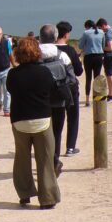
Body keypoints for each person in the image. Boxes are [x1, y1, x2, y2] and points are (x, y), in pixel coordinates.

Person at [6, 38, 61, 209]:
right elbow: (53, 91)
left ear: (18, 54)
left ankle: (24, 194)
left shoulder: (12, 74)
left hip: (19, 121)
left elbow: (10, 90)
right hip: (42, 120)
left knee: (22, 158)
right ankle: (47, 199)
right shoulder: (44, 72)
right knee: (44, 159)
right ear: (37, 52)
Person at [37, 24, 74, 175]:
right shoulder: (62, 56)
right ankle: (54, 161)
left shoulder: (34, 56)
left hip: (39, 102)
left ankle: (44, 162)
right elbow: (72, 79)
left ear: (40, 38)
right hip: (58, 101)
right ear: (54, 37)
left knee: (41, 135)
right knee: (56, 133)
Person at [53, 21, 83, 156]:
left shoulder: (50, 50)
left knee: (56, 122)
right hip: (70, 88)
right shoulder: (70, 50)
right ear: (66, 34)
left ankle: (54, 150)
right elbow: (79, 71)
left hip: (53, 89)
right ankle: (70, 147)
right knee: (73, 117)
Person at [78, 20, 105, 104]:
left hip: (89, 57)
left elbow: (80, 46)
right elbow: (103, 45)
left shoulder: (86, 33)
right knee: (97, 78)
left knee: (88, 78)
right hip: (99, 56)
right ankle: (97, 99)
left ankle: (87, 100)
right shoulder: (101, 32)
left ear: (87, 26)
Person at [97, 18, 112, 102]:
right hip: (111, 56)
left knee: (110, 76)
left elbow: (110, 48)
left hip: (109, 56)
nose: (100, 30)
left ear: (103, 26)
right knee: (108, 75)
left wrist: (101, 48)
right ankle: (110, 95)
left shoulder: (109, 33)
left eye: (100, 28)